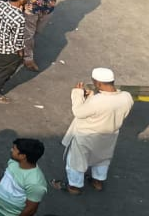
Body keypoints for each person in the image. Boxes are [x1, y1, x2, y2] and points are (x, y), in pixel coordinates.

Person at [55, 67, 133, 195]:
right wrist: (90, 97)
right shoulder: (126, 97)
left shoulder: (98, 101)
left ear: (99, 83)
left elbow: (78, 112)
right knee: (102, 159)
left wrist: (77, 93)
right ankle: (98, 182)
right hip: (109, 136)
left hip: (86, 137)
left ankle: (74, 187)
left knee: (76, 162)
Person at [19, 0, 65, 71]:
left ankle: (22, 46)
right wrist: (20, 5)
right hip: (31, 9)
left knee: (36, 32)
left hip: (47, 10)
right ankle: (28, 58)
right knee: (29, 34)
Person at [0, 138, 48, 216]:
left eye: (14, 149)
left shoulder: (36, 182)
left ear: (23, 156)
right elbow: (4, 176)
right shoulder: (13, 162)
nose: (11, 150)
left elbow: (31, 209)